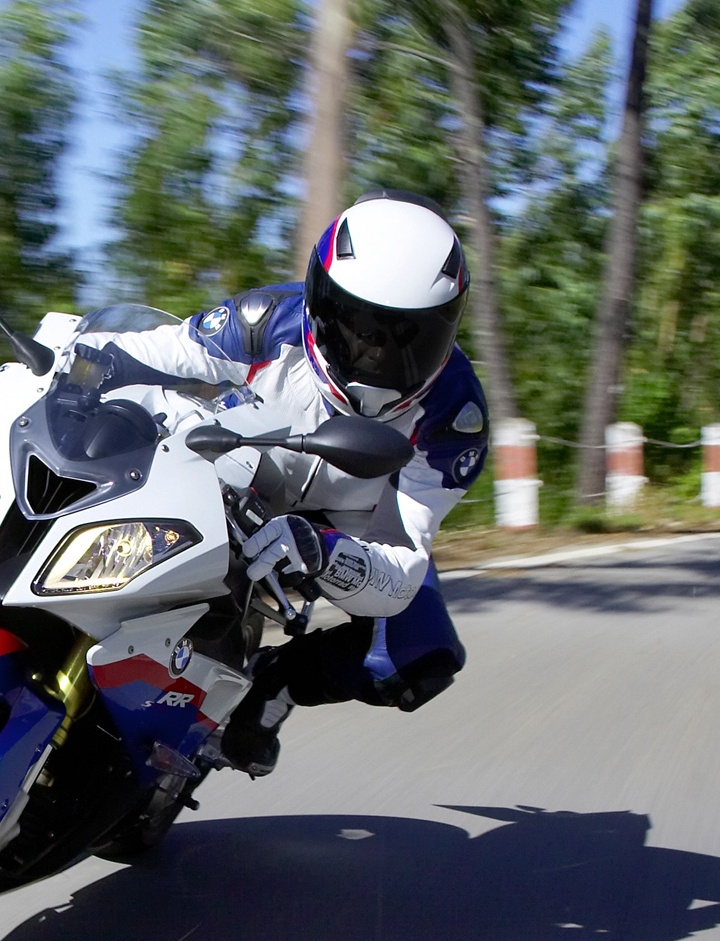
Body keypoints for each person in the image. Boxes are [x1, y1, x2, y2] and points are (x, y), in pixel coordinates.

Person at [78, 189, 489, 777]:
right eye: (355, 325)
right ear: (320, 299)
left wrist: (325, 552)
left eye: (405, 336)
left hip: (351, 525)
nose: (372, 353)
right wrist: (71, 360)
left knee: (420, 658)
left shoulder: (456, 418)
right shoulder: (266, 320)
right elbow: (153, 351)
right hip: (235, 470)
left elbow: (401, 567)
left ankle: (276, 686)